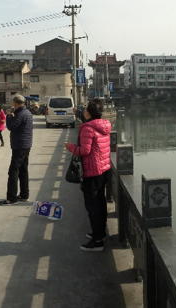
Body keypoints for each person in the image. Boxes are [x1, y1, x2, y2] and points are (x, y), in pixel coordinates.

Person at [65, 99, 112, 251]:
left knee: (92, 205)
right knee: (100, 202)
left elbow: (84, 151)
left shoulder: (88, 128)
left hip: (92, 171)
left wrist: (70, 147)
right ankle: (100, 232)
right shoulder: (104, 125)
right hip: (103, 169)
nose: (84, 111)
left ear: (89, 113)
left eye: (85, 109)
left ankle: (97, 241)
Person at [0, 94, 33, 205]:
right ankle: (24, 195)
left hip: (20, 146)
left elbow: (11, 126)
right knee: (23, 170)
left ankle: (11, 198)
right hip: (26, 145)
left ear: (15, 104)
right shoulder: (27, 113)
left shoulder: (20, 114)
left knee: (13, 171)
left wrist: (9, 116)